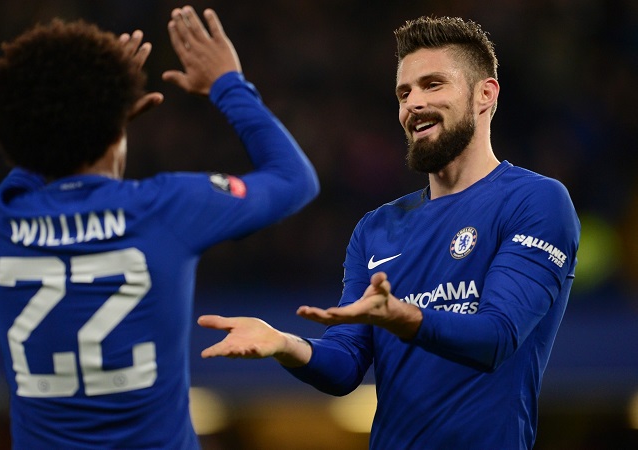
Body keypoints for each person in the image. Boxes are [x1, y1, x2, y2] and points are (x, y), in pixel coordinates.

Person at [198, 16, 580, 449]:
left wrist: (404, 317)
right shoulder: (376, 228)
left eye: (432, 85)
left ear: (485, 95)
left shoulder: (536, 200)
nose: (413, 103)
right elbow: (345, 364)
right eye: (404, 92)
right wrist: (284, 343)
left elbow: (497, 336)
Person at [0, 6, 318, 449]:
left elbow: (31, 163)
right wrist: (229, 84)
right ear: (116, 131)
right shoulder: (163, 207)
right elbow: (294, 180)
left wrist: (96, 119)